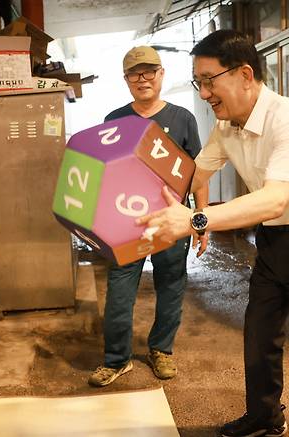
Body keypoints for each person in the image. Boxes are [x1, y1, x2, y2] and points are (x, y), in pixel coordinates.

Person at [137, 31, 289, 437]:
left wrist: (195, 221)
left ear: (245, 74)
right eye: (198, 82)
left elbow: (274, 199)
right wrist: (138, 202)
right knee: (259, 334)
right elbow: (193, 173)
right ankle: (264, 416)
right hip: (274, 238)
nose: (204, 93)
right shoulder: (227, 127)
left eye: (208, 80)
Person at [88, 46, 209, 387]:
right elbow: (104, 173)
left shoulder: (183, 118)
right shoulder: (114, 120)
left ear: (161, 74)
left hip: (173, 222)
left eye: (149, 72)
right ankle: (117, 359)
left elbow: (197, 173)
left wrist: (201, 219)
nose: (142, 79)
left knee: (171, 286)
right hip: (128, 225)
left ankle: (161, 350)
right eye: (134, 73)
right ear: (126, 80)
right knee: (119, 291)